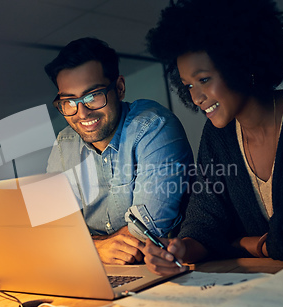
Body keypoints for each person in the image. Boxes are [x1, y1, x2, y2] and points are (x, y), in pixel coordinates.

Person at [143, 0, 283, 275]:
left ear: (240, 63)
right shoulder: (217, 136)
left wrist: (246, 244)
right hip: (275, 287)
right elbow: (205, 221)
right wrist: (179, 249)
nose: (196, 97)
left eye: (204, 79)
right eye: (188, 85)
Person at [45, 37, 194, 265]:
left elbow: (145, 234)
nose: (82, 113)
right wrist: (96, 249)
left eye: (93, 96)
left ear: (119, 88)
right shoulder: (65, 143)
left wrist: (80, 246)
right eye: (70, 101)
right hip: (93, 271)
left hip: (162, 271)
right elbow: (50, 231)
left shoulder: (154, 126)